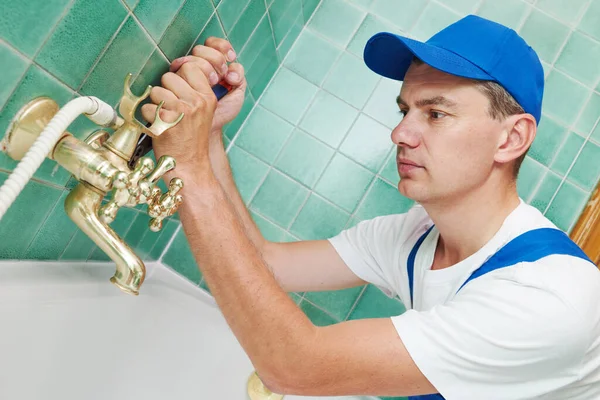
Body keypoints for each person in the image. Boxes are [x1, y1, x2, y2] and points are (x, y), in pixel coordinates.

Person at [141, 14, 600, 400]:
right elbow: (266, 264)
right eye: (405, 111)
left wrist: (187, 164)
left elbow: (295, 366)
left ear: (511, 138)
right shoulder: (416, 234)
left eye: (436, 113)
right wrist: (211, 138)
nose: (400, 134)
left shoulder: (550, 297)